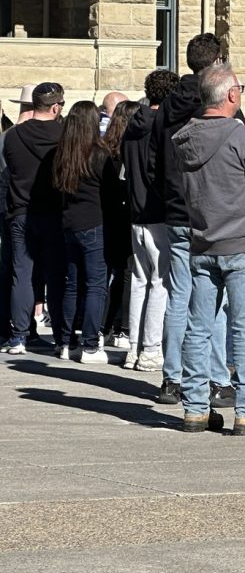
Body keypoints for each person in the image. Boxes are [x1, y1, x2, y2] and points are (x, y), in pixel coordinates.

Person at [173, 63, 245, 435]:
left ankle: (194, 407)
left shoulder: (184, 138)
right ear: (232, 96)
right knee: (244, 330)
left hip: (203, 240)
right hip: (241, 242)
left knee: (199, 328)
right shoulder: (241, 137)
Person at [151, 33, 234, 407]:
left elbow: (155, 158)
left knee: (179, 296)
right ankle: (216, 378)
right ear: (216, 60)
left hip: (174, 209)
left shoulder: (166, 106)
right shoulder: (213, 102)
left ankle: (172, 378)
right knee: (212, 298)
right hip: (206, 212)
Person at [1, 83, 66, 356]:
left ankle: (19, 336)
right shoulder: (64, 134)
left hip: (20, 212)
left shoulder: (13, 136)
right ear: (55, 106)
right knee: (56, 276)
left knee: (22, 275)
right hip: (54, 213)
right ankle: (62, 338)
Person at [54, 101, 120, 363]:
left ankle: (67, 342)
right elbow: (113, 194)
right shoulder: (99, 154)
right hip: (94, 222)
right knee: (96, 286)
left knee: (72, 284)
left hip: (69, 223)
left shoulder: (62, 152)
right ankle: (91, 345)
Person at [122, 69, 179, 372]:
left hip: (135, 211)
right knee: (160, 282)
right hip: (157, 212)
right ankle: (151, 350)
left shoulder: (131, 126)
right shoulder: (162, 126)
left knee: (140, 280)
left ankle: (134, 348)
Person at [100, 100, 139, 349]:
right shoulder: (129, 149)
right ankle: (123, 328)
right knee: (126, 273)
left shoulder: (105, 148)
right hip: (125, 216)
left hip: (107, 216)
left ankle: (104, 326)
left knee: (110, 273)